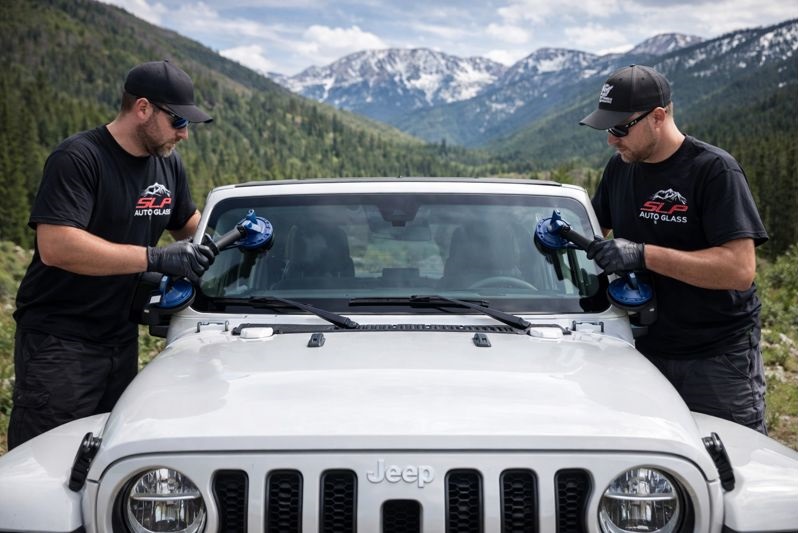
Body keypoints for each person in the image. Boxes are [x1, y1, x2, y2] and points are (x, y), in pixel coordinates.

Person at [8, 60, 216, 449]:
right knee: (46, 457)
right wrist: (155, 259)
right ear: (142, 109)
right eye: (177, 122)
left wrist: (248, 248)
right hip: (61, 342)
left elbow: (190, 224)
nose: (184, 134)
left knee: (107, 453)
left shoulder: (167, 164)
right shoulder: (79, 158)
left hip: (119, 339)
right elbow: (57, 246)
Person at [579, 64, 769, 434]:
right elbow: (595, 230)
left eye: (620, 128)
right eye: (607, 130)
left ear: (658, 117)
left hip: (716, 357)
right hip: (641, 350)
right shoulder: (620, 168)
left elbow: (739, 269)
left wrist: (642, 254)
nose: (611, 141)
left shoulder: (713, 170)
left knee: (730, 460)